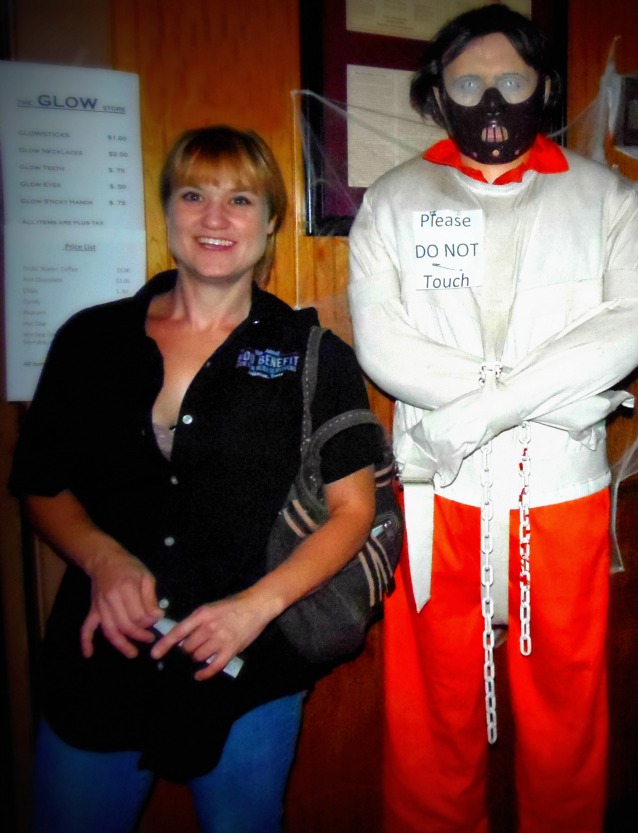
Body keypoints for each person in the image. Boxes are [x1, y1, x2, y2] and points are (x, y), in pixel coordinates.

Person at [10, 125, 380, 833]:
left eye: (240, 198)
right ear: (168, 212)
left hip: (246, 670)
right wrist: (103, 558)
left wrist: (254, 607)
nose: (215, 217)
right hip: (103, 656)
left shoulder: (313, 356)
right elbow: (41, 482)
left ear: (271, 222)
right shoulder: (89, 340)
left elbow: (351, 510)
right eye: (194, 195)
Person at [348, 5, 638, 831]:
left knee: (567, 700)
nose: (492, 99)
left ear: (546, 86)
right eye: (467, 81)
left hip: (559, 491)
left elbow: (628, 325)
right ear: (437, 93)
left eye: (512, 79)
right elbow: (385, 345)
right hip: (435, 488)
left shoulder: (604, 200)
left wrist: (484, 408)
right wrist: (545, 393)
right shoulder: (394, 199)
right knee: (432, 707)